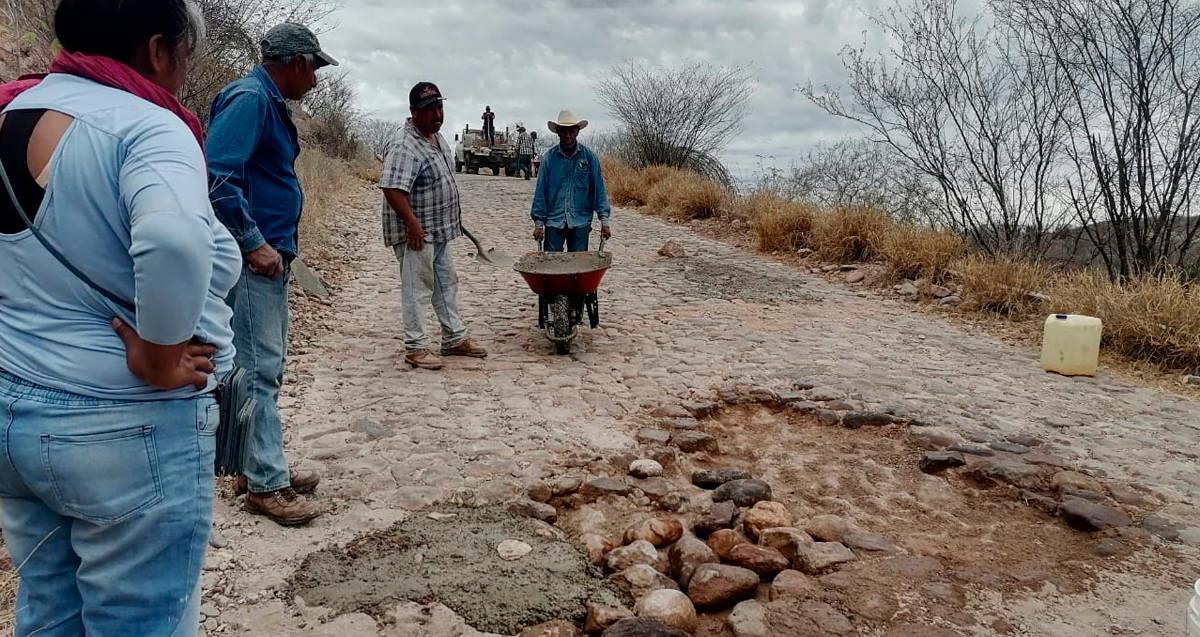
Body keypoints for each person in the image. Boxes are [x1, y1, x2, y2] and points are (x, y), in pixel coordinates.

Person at [0, 0, 239, 633]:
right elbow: (173, 239)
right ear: (158, 50)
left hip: (13, 407)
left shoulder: (6, 109)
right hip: (119, 424)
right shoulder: (145, 125)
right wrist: (159, 356)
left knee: (48, 611)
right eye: (186, 55)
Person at [207, 23, 338, 526]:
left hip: (267, 255)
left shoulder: (262, 99)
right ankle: (266, 484)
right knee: (260, 367)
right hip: (252, 258)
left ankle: (252, 462)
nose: (317, 78)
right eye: (316, 67)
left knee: (257, 364)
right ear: (299, 61)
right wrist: (252, 240)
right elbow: (218, 175)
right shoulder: (250, 99)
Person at [381, 82, 488, 370]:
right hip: (417, 234)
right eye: (429, 110)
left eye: (439, 107)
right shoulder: (405, 145)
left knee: (445, 282)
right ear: (414, 112)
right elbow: (392, 188)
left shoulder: (436, 138)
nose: (437, 114)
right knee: (417, 288)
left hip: (439, 230)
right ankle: (416, 347)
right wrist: (412, 224)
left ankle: (454, 337)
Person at [531, 110, 612, 252]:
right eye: (564, 131)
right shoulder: (549, 158)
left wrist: (604, 221)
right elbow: (541, 192)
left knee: (578, 268)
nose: (568, 136)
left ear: (577, 132)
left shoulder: (589, 157)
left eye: (571, 131)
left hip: (580, 221)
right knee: (552, 266)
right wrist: (539, 223)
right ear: (558, 133)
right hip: (554, 222)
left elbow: (598, 189)